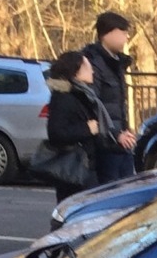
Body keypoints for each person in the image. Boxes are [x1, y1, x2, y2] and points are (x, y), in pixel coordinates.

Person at [42, 51, 113, 201]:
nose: (92, 71)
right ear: (76, 72)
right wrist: (87, 129)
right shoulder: (64, 98)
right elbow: (56, 133)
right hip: (74, 170)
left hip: (85, 166)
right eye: (87, 67)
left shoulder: (82, 94)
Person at [82, 11, 139, 184]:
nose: (127, 37)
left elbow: (117, 105)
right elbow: (93, 104)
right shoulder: (93, 63)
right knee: (111, 190)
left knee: (128, 188)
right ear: (108, 33)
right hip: (105, 146)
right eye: (123, 32)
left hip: (121, 142)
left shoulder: (116, 63)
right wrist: (115, 134)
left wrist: (126, 130)